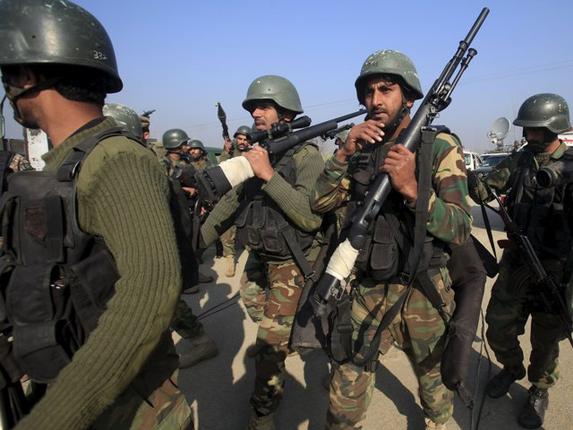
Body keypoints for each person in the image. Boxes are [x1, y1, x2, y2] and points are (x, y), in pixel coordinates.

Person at [0, 0, 192, 428]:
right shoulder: (63, 167)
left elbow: (150, 291)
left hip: (127, 405)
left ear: (26, 75)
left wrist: (51, 419)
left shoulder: (115, 159)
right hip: (77, 376)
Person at [311, 50, 471, 430]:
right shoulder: (360, 148)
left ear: (409, 98)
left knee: (433, 387)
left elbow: (462, 226)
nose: (375, 101)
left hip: (424, 292)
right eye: (368, 92)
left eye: (386, 89)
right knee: (343, 398)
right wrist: (344, 151)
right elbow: (319, 202)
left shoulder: (440, 146)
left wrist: (414, 191)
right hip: (368, 289)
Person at [200, 75, 325, 429]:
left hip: (293, 261)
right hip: (260, 258)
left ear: (285, 113)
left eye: (263, 106)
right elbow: (228, 205)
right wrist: (192, 243)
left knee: (268, 348)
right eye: (252, 106)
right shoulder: (256, 154)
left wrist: (269, 175)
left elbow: (309, 218)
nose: (255, 111)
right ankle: (286, 340)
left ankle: (263, 414)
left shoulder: (306, 156)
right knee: (256, 308)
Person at [468, 93, 573, 429]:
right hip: (518, 260)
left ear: (553, 127)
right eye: (526, 130)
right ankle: (511, 368)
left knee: (546, 339)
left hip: (557, 268)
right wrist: (469, 179)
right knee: (498, 326)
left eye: (534, 130)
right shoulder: (520, 159)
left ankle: (539, 389)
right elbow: (484, 191)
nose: (527, 135)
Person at [102, 103, 218, 370]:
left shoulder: (146, 163)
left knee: (159, 295)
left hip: (148, 242)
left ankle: (198, 339)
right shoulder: (124, 161)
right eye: (141, 131)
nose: (145, 137)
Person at [219, 125, 252, 277]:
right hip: (231, 196)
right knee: (227, 230)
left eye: (246, 139)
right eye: (240, 138)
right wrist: (226, 151)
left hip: (248, 196)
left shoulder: (254, 154)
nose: (242, 142)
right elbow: (221, 169)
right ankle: (230, 258)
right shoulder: (230, 153)